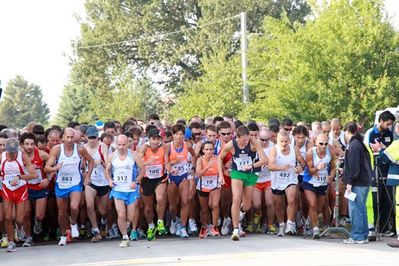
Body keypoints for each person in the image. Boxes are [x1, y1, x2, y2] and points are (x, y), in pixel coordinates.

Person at [45, 128, 94, 246]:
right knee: (61, 213)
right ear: (62, 138)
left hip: (75, 183)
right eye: (67, 137)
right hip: (61, 184)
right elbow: (47, 168)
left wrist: (88, 176)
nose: (70, 140)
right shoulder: (56, 149)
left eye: (72, 137)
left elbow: (91, 161)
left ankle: (73, 223)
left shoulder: (80, 149)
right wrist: (55, 168)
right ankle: (63, 235)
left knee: (74, 206)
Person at [218, 125, 268, 241]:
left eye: (248, 139)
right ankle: (235, 230)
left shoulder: (254, 142)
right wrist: (221, 175)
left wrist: (251, 166)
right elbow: (219, 157)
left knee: (247, 205)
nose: (246, 141)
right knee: (236, 198)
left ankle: (239, 213)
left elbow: (265, 160)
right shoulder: (231, 144)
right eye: (244, 139)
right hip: (237, 172)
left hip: (250, 173)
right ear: (238, 137)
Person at [105, 135, 141, 247]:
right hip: (118, 190)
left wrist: (137, 181)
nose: (121, 147)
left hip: (131, 190)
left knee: (129, 217)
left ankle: (126, 227)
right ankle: (125, 237)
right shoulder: (111, 156)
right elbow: (107, 171)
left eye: (123, 144)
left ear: (128, 144)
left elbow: (143, 169)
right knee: (121, 214)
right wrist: (109, 180)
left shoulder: (134, 155)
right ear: (116, 144)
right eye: (119, 144)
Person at [1, 138, 37, 252]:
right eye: (9, 152)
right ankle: (11, 242)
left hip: (21, 189)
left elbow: (34, 174)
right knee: (7, 217)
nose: (12, 154)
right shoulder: (2, 156)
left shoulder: (23, 156)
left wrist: (20, 177)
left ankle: (20, 227)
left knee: (20, 219)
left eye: (14, 152)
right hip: (7, 188)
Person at [268, 130, 306, 237]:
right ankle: (281, 225)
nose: (284, 144)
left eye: (286, 141)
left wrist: (300, 167)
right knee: (278, 205)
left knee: (292, 199)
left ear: (289, 140)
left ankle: (290, 224)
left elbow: (303, 162)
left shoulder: (294, 149)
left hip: (291, 179)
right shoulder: (274, 150)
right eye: (281, 141)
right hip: (277, 181)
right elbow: (270, 166)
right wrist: (281, 167)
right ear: (277, 140)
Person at [343, 122, 373, 244]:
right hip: (364, 181)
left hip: (357, 182)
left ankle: (357, 236)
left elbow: (354, 166)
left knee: (355, 209)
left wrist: (350, 182)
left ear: (347, 132)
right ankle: (364, 235)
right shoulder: (360, 143)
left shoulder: (354, 145)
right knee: (361, 209)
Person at [20, 133, 52, 247]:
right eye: (27, 144)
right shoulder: (18, 156)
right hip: (25, 188)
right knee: (25, 213)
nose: (29, 146)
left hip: (40, 187)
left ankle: (38, 222)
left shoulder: (41, 154)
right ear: (21, 145)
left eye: (32, 144)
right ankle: (28, 237)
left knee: (39, 215)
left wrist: (48, 179)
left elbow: (53, 164)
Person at [165, 124, 196, 238]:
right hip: (172, 177)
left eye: (181, 134)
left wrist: (192, 167)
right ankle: (174, 220)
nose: (179, 136)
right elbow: (166, 162)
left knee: (185, 201)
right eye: (177, 134)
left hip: (183, 175)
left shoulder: (187, 145)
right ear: (173, 135)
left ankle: (183, 227)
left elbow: (194, 155)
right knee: (173, 205)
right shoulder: (168, 146)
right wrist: (171, 167)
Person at [302, 134, 336, 238]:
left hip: (322, 183)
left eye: (326, 144)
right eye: (321, 143)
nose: (323, 146)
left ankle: (309, 221)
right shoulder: (310, 153)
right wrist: (317, 168)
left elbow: (333, 167)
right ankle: (315, 230)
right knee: (312, 204)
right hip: (310, 182)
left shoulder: (330, 152)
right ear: (316, 143)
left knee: (319, 208)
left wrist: (331, 176)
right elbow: (310, 170)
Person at [138, 128, 168, 241]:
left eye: (158, 139)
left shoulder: (164, 147)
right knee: (148, 207)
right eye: (153, 139)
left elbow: (166, 162)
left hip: (160, 177)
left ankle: (160, 222)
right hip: (146, 179)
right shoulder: (144, 147)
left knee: (160, 198)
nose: (156, 141)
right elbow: (139, 163)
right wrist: (146, 162)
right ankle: (151, 226)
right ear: (149, 139)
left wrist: (170, 167)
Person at [84, 126, 110, 242]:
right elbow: (80, 166)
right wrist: (85, 174)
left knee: (102, 211)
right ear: (86, 137)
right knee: (89, 205)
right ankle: (96, 231)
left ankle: (104, 222)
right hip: (91, 182)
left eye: (94, 137)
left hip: (103, 182)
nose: (92, 140)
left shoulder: (103, 146)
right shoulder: (83, 149)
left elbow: (109, 166)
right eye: (90, 138)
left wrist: (102, 162)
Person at [196, 141, 222, 238]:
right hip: (203, 186)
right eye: (206, 149)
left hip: (215, 184)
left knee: (215, 205)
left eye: (211, 149)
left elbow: (221, 170)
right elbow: (198, 173)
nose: (209, 152)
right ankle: (204, 227)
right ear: (203, 150)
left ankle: (215, 227)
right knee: (204, 209)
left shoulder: (217, 159)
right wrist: (207, 166)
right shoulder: (200, 160)